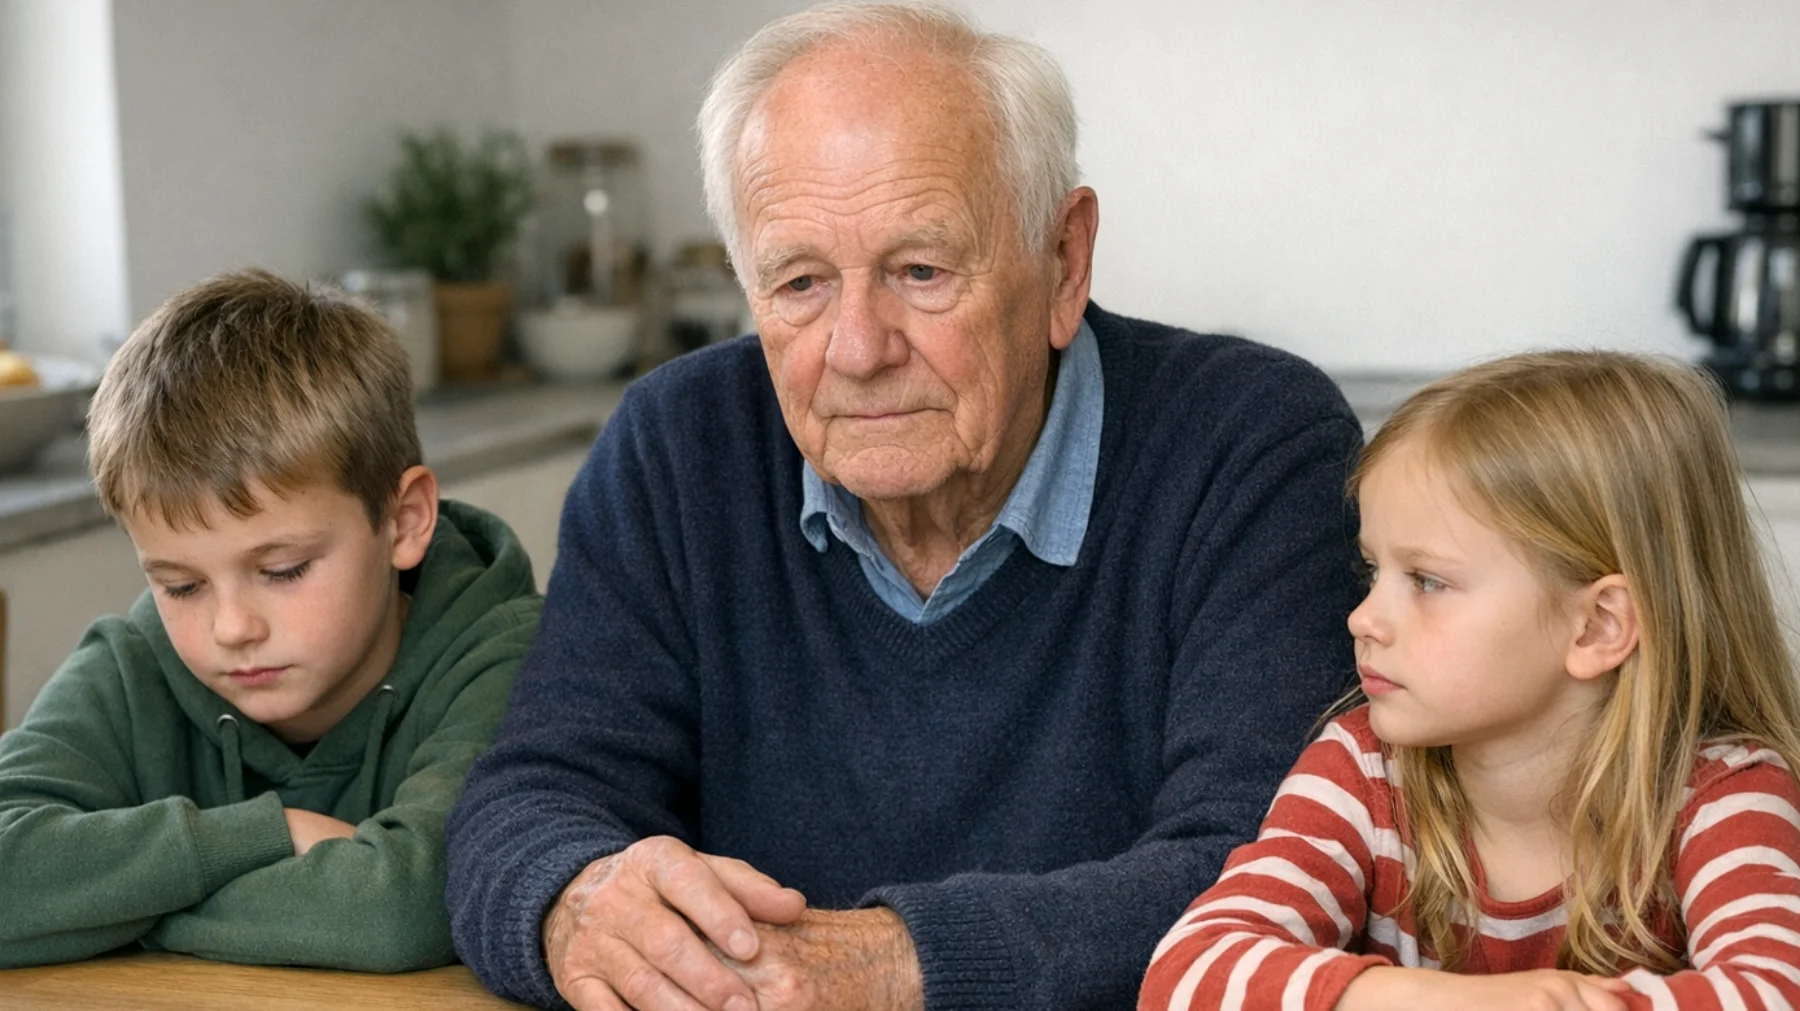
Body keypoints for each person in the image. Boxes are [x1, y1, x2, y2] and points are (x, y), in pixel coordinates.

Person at [445, 4, 1364, 1009]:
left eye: (920, 271)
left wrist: (884, 965)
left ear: (1063, 259)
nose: (857, 349)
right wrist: (579, 902)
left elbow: (1271, 876)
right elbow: (531, 797)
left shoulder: (1255, 446)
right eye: (798, 282)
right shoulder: (677, 446)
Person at [1139, 351, 1800, 1011]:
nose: (1363, 617)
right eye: (1374, 571)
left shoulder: (1724, 799)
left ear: (1597, 627)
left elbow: (1776, 989)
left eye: (1427, 581)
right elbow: (1187, 973)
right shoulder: (1363, 771)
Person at [0, 269, 542, 971]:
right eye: (181, 583)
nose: (231, 627)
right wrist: (266, 834)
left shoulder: (504, 653)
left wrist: (110, 905)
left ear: (403, 521)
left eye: (283, 570)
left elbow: (406, 906)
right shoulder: (133, 660)